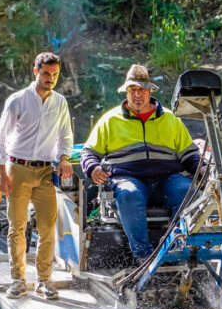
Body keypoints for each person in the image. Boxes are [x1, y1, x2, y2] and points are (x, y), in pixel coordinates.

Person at [81, 64, 201, 263]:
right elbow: (89, 152)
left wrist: (202, 169)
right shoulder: (110, 120)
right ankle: (143, 255)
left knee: (186, 189)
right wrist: (93, 168)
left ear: (150, 91)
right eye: (132, 90)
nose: (137, 95)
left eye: (142, 90)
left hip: (166, 179)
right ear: (126, 92)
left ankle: (178, 246)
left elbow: (190, 155)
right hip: (128, 178)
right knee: (129, 194)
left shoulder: (171, 119)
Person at [0, 52, 73, 299]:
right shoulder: (17, 100)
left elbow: (65, 136)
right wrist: (1, 172)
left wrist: (64, 158)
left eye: (55, 75)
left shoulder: (60, 102)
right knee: (17, 227)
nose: (51, 79)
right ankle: (18, 280)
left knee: (48, 228)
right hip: (17, 169)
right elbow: (1, 138)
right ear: (35, 71)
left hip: (45, 171)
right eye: (46, 73)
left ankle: (44, 281)